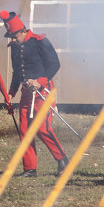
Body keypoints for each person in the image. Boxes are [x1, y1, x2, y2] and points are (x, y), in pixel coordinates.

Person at [6, 14, 67, 177]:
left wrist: (40, 81)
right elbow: (17, 72)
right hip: (26, 93)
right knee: (25, 131)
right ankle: (30, 168)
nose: (14, 39)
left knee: (42, 128)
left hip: (44, 92)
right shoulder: (14, 47)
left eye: (15, 35)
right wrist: (11, 92)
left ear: (23, 31)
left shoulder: (40, 42)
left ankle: (63, 160)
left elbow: (54, 64)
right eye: (11, 36)